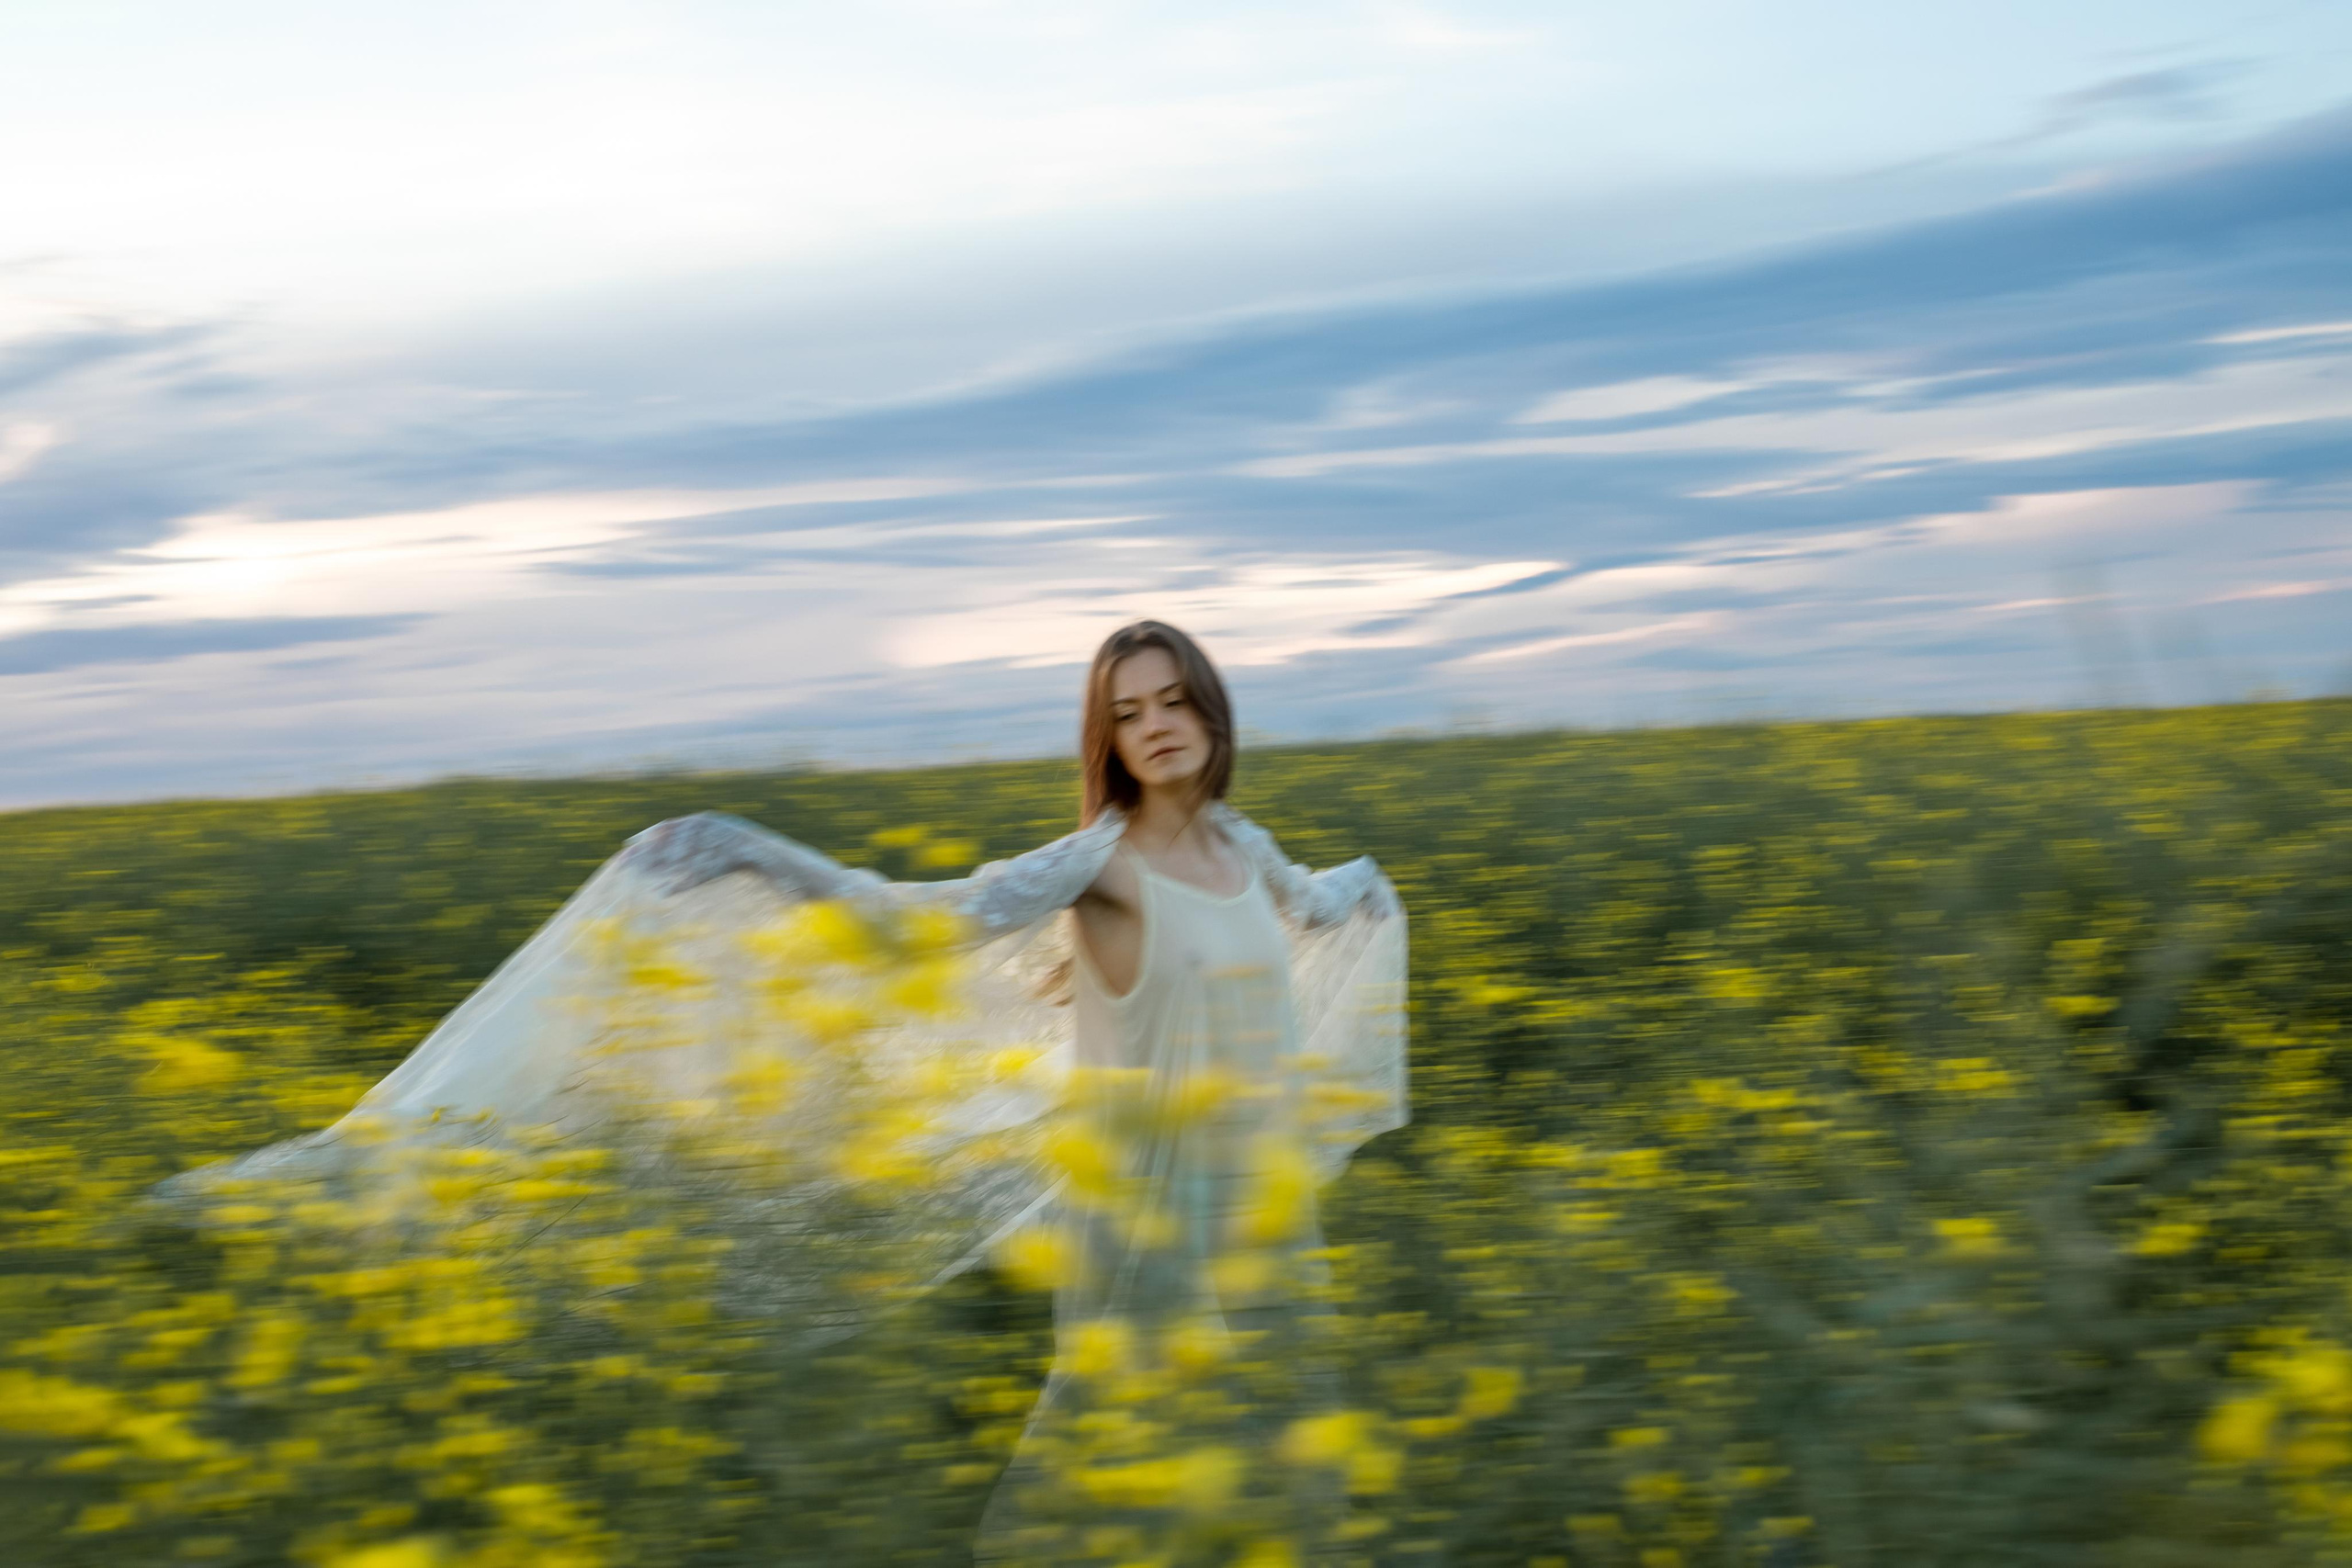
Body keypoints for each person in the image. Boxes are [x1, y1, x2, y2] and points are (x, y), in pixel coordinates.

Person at [175, 619, 1408, 1562]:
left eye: (1174, 698)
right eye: (1128, 710)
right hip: (1145, 1218)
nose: (1156, 723)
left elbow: (1317, 902)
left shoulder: (1244, 850)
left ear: (1210, 710)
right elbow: (909, 922)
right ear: (1107, 739)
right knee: (1123, 1476)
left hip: (1264, 1215)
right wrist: (750, 851)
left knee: (1283, 1468)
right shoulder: (1102, 864)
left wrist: (1366, 885)